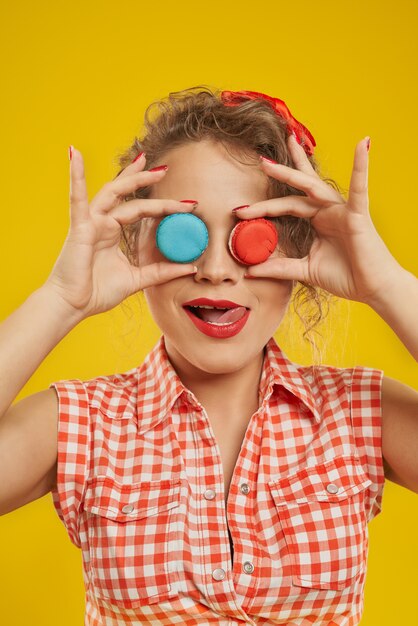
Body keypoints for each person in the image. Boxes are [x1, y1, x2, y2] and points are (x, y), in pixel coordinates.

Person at [0, 86, 417, 626]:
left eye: (253, 235)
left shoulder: (361, 412)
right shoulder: (82, 424)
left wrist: (385, 283)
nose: (216, 270)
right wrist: (59, 300)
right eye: (186, 235)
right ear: (136, 246)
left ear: (298, 248)